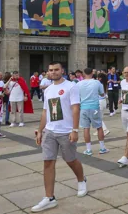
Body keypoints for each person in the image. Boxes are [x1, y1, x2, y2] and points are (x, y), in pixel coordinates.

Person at [33, 61, 86, 213]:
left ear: (62, 70)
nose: (53, 72)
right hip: (50, 131)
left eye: (56, 70)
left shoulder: (71, 86)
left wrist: (75, 129)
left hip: (66, 131)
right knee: (48, 162)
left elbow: (76, 108)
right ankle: (49, 198)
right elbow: (45, 112)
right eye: (51, 70)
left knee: (70, 160)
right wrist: (40, 130)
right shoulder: (48, 89)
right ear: (47, 72)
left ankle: (81, 180)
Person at [78, 68, 109, 156]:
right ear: (92, 73)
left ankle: (88, 149)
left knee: (86, 128)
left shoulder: (79, 84)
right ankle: (102, 147)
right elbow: (102, 94)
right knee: (99, 127)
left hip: (83, 107)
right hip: (94, 107)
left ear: (83, 73)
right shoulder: (97, 83)